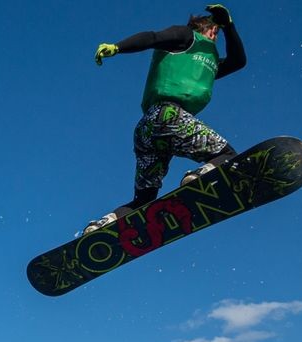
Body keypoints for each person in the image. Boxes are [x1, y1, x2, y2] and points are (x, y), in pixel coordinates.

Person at [86, 4, 246, 233]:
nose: (216, 40)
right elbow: (152, 37)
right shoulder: (186, 37)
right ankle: (201, 176)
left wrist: (229, 26)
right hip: (169, 117)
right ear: (209, 30)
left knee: (145, 201)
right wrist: (118, 47)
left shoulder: (208, 63)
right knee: (228, 155)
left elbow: (238, 61)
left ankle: (104, 226)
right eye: (216, 34)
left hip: (146, 130)